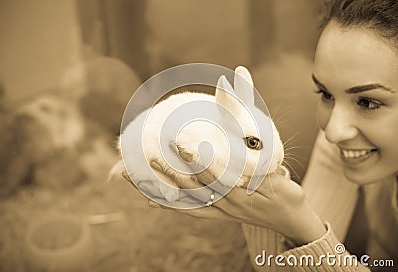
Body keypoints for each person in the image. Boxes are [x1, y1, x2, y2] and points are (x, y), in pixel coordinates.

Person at [120, 0, 398, 270]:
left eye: (368, 102)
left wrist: (307, 230)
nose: (334, 131)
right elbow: (278, 268)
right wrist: (271, 217)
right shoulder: (339, 145)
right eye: (326, 94)